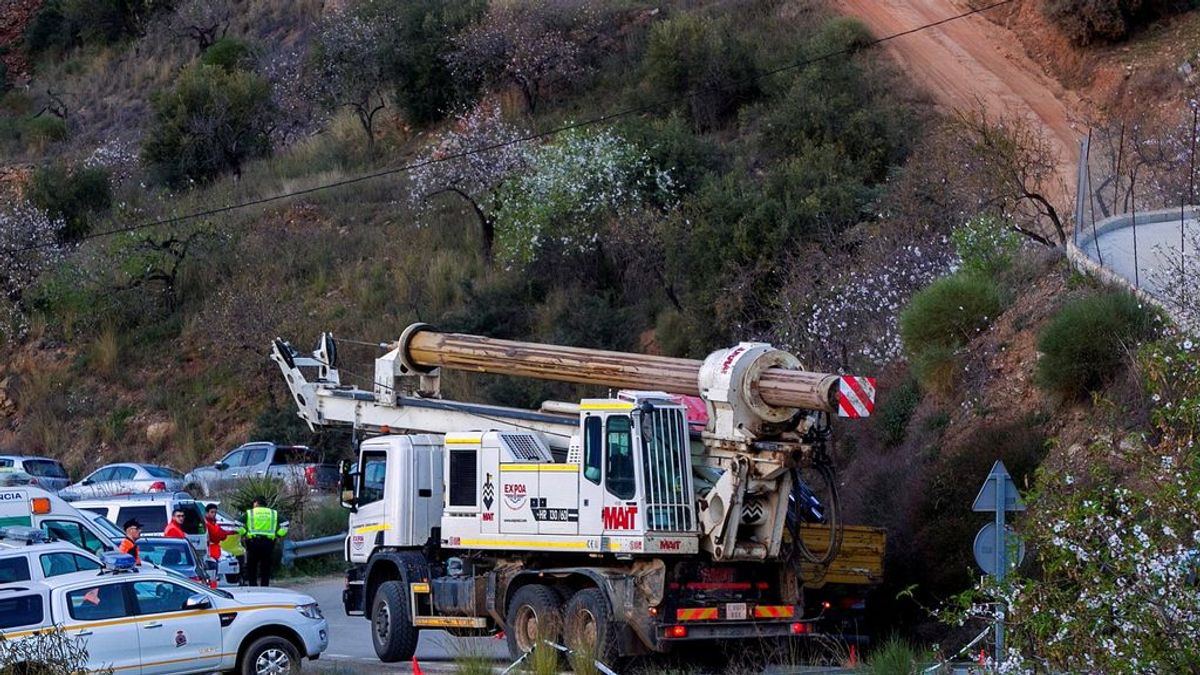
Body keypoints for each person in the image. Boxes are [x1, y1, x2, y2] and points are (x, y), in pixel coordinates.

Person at [238, 496, 287, 587]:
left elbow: (237, 524)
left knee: (252, 566)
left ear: (256, 503)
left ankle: (253, 586)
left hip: (253, 542)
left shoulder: (250, 513)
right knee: (266, 566)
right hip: (268, 543)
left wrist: (245, 533)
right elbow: (285, 524)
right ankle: (265, 586)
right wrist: (278, 535)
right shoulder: (273, 513)